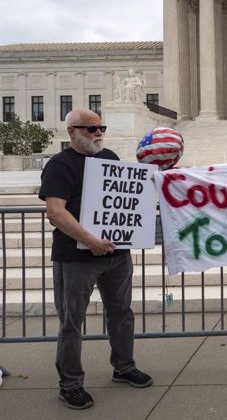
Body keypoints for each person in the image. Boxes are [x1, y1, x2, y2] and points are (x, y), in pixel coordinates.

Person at [39, 109, 152, 410]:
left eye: (101, 127)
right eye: (90, 129)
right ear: (71, 132)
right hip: (75, 258)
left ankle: (124, 367)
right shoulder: (59, 165)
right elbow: (56, 212)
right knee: (71, 323)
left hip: (116, 255)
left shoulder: (110, 158)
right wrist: (91, 241)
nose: (98, 133)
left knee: (121, 313)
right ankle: (71, 385)